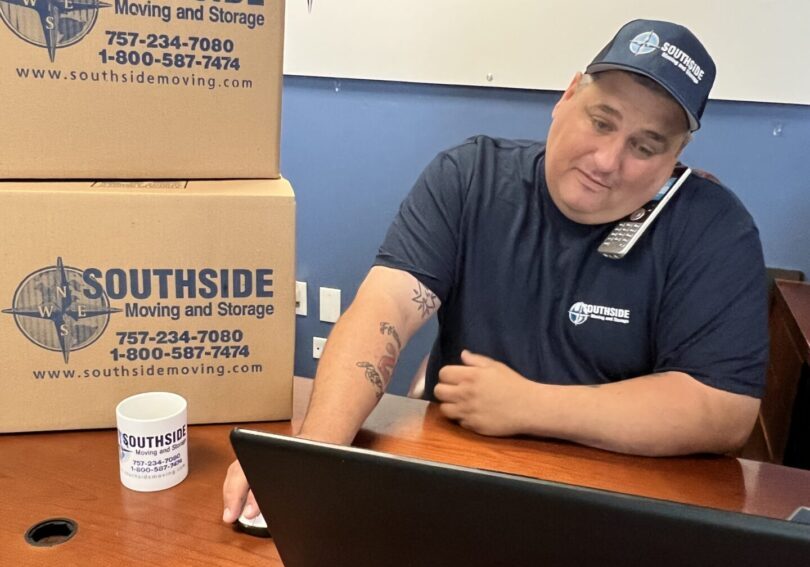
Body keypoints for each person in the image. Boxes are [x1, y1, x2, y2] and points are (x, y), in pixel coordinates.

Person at [223, 19, 768, 524]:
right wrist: (310, 458)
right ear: (567, 95)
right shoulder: (469, 177)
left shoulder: (714, 228)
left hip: (623, 498)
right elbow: (384, 307)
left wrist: (530, 406)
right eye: (601, 122)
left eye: (645, 147)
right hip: (460, 472)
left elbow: (724, 410)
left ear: (677, 155)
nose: (607, 160)